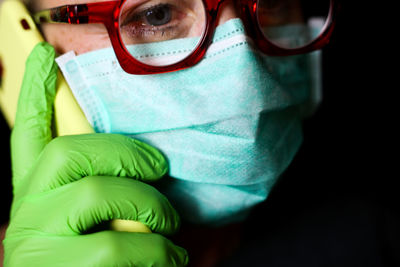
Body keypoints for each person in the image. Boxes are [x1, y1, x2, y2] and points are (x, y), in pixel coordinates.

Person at [6, 0, 388, 266]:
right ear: (14, 55)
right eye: (156, 14)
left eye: (270, 0)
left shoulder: (370, 235)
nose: (245, 72)